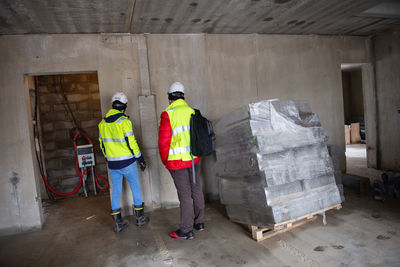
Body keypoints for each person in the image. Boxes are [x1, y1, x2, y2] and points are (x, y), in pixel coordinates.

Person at [158, 82, 205, 240]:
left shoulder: (168, 114)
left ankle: (186, 230)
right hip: (193, 159)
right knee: (196, 189)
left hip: (177, 162)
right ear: (182, 96)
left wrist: (166, 161)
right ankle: (199, 223)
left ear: (170, 98)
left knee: (185, 195)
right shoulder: (193, 111)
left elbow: (163, 143)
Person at [98, 92, 149, 232]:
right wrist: (141, 159)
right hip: (128, 162)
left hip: (112, 164)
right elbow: (132, 143)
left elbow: (102, 145)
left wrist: (108, 158)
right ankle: (140, 218)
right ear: (124, 106)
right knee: (135, 188)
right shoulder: (124, 122)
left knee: (116, 191)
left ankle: (118, 223)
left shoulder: (102, 124)